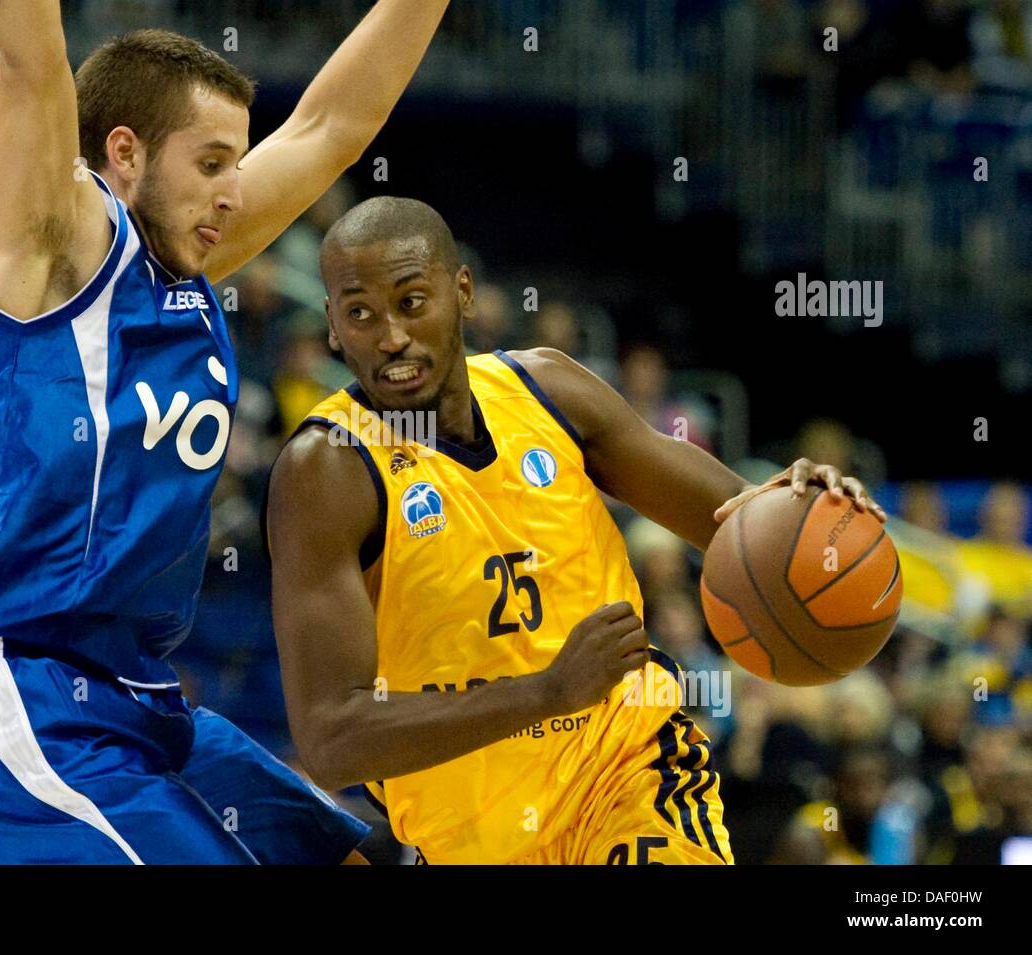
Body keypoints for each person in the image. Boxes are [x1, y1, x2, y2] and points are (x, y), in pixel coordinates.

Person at [0, 1, 450, 864]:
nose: (234, 187)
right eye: (211, 161)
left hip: (134, 699)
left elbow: (335, 124)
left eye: (237, 162)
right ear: (125, 153)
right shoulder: (52, 238)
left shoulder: (192, 258)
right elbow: (32, 61)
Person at [265, 196, 886, 864]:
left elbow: (736, 518)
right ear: (332, 325)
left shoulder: (549, 391)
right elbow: (330, 741)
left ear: (463, 291)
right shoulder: (325, 469)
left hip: (628, 774)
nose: (390, 335)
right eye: (360, 313)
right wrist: (545, 693)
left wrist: (804, 512)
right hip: (470, 839)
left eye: (413, 301)